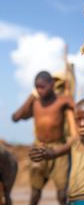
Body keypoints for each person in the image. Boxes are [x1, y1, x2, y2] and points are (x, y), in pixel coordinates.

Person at [12, 71, 76, 205]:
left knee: (62, 193)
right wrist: (30, 97)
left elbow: (77, 111)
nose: (39, 90)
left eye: (42, 87)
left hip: (59, 150)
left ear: (52, 85)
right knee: (35, 192)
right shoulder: (35, 103)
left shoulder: (63, 100)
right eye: (36, 87)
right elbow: (16, 117)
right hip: (39, 148)